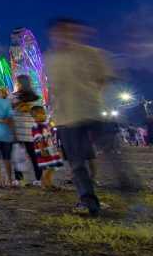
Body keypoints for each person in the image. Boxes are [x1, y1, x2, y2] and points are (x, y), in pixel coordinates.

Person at [44, 18, 142, 217]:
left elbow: (105, 80)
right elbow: (54, 88)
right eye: (59, 32)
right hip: (67, 116)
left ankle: (128, 186)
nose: (63, 36)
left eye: (68, 31)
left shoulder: (93, 54)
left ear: (77, 32)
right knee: (77, 162)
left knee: (111, 153)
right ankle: (88, 201)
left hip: (92, 111)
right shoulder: (51, 58)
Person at [9, 75, 42, 186]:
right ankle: (39, 178)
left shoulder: (13, 97)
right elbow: (39, 113)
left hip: (17, 130)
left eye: (16, 82)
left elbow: (9, 111)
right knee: (35, 156)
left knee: (17, 156)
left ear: (19, 84)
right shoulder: (36, 98)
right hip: (32, 131)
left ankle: (19, 179)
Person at [31, 105, 63, 189]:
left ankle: (49, 182)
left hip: (50, 148)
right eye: (41, 114)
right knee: (48, 167)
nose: (44, 115)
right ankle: (45, 183)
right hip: (44, 149)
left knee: (52, 166)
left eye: (44, 113)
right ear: (34, 116)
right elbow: (38, 139)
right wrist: (42, 150)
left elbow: (52, 129)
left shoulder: (45, 124)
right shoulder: (36, 126)